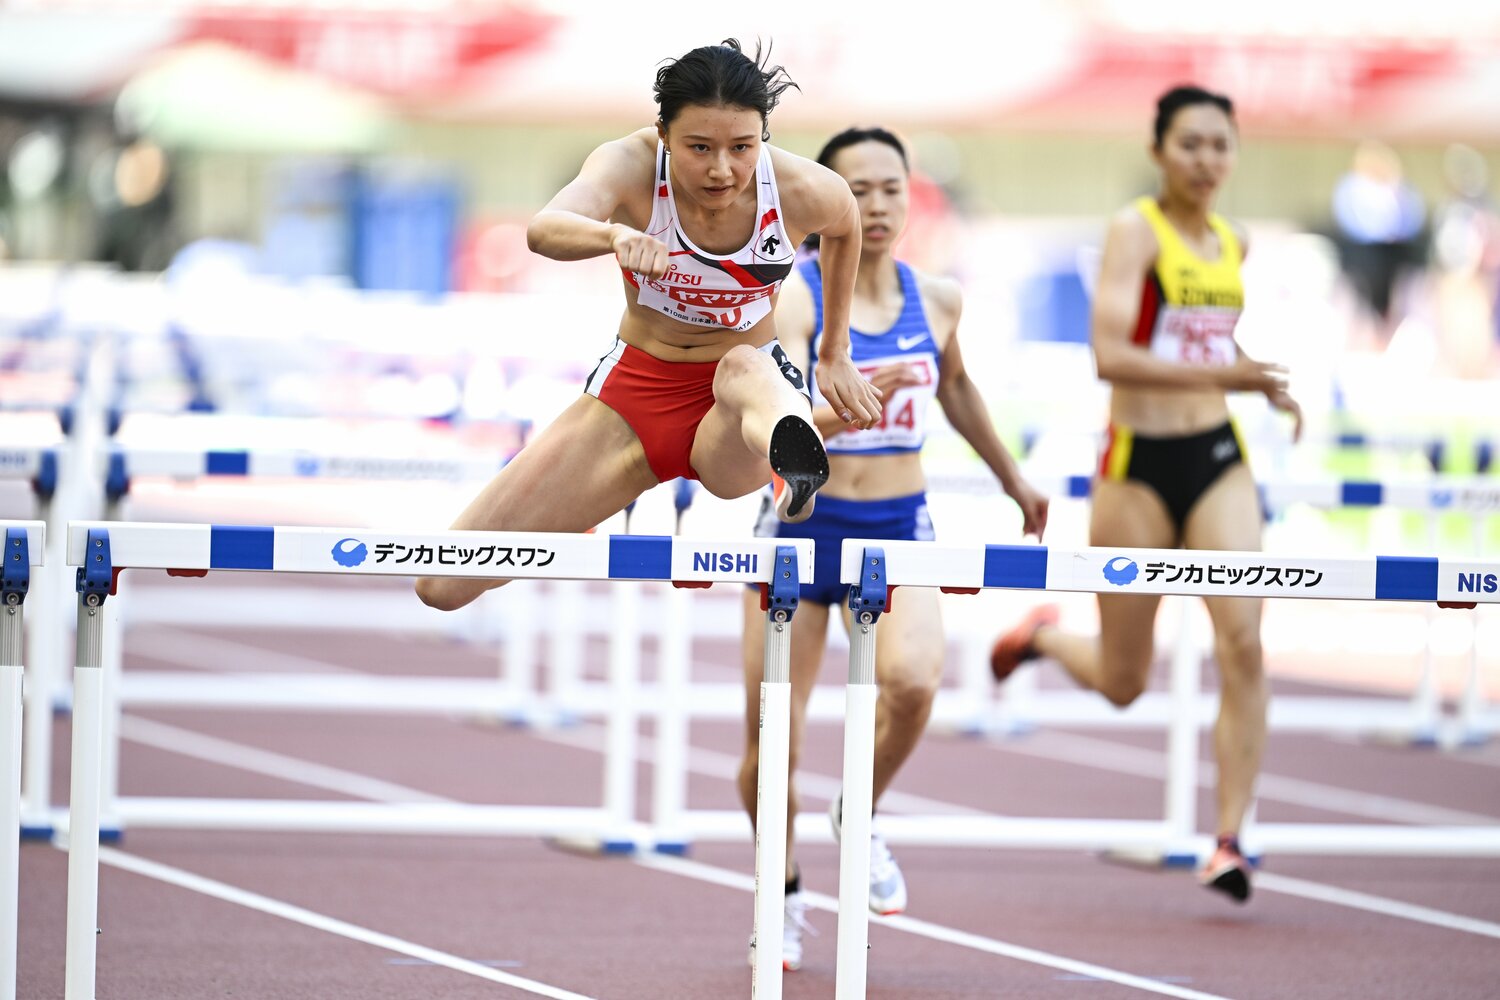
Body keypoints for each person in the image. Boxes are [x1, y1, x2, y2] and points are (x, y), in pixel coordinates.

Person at [414, 39, 882, 614]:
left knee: (743, 365)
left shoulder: (798, 190)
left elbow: (846, 223)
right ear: (663, 134)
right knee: (442, 583)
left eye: (742, 147)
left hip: (735, 409)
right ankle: (575, 514)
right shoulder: (631, 166)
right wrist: (613, 235)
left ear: (765, 136)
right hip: (632, 399)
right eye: (699, 147)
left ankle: (793, 454)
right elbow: (544, 229)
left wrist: (835, 351)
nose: (721, 169)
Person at [738, 126, 1049, 970]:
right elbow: (772, 421)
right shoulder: (795, 300)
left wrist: (1014, 482)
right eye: (856, 190)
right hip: (802, 530)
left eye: (889, 189)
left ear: (911, 198)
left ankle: (859, 812)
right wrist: (857, 397)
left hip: (899, 527)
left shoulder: (937, 300)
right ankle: (786, 889)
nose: (874, 207)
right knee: (773, 745)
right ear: (823, 204)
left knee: (913, 684)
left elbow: (957, 388)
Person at [990, 85, 1302, 904]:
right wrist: (1229, 370)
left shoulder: (1232, 241)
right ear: (1160, 149)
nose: (1206, 160)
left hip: (1216, 455)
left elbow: (1203, 337)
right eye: (1190, 144)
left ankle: (1231, 838)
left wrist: (1258, 385)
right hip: (1136, 463)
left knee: (1243, 641)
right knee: (1126, 680)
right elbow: (1109, 353)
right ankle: (1047, 640)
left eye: (1220, 145)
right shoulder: (1137, 230)